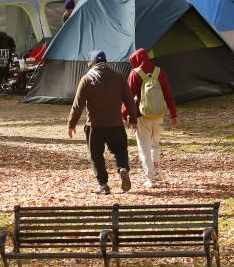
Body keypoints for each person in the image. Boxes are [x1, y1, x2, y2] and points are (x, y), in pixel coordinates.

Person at [67, 50, 138, 195]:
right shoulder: (118, 77)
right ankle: (123, 167)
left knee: (96, 155)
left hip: (95, 126)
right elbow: (129, 100)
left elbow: (78, 104)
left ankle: (103, 185)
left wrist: (72, 124)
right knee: (120, 150)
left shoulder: (87, 79)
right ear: (106, 61)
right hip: (116, 124)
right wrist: (133, 119)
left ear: (93, 63)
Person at [123, 48, 178, 188]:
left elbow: (128, 98)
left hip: (142, 117)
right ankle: (157, 173)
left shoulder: (135, 74)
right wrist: (173, 113)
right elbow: (168, 94)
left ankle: (150, 179)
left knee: (144, 148)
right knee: (155, 145)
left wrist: (125, 116)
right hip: (159, 115)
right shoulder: (160, 72)